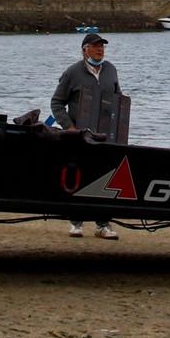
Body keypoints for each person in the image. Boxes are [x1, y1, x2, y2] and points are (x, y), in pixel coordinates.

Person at [52, 33, 123, 239]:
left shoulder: (111, 70)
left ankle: (103, 225)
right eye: (95, 46)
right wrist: (69, 127)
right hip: (80, 136)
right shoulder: (72, 73)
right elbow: (56, 103)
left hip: (106, 136)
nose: (100, 50)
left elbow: (118, 97)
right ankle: (76, 222)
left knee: (105, 179)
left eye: (102, 46)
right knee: (80, 178)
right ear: (85, 50)